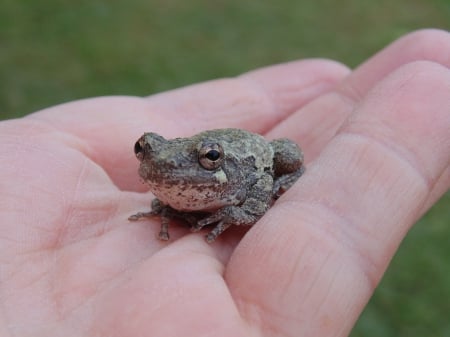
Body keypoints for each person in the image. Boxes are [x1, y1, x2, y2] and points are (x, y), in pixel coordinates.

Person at [0, 29, 448, 336]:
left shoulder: (237, 174)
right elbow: (165, 175)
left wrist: (239, 207)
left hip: (253, 156)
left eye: (207, 159)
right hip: (209, 165)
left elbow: (255, 193)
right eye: (145, 151)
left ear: (214, 161)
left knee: (288, 153)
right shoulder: (164, 173)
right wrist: (166, 200)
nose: (154, 165)